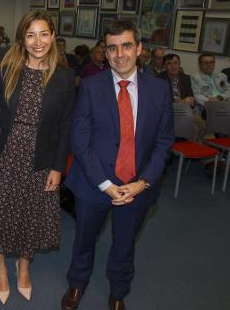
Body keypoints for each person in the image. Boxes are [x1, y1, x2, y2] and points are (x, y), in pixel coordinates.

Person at [61, 20, 174, 310]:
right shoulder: (89, 86)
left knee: (124, 243)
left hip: (138, 186)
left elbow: (163, 143)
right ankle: (77, 283)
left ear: (139, 49)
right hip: (94, 183)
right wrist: (106, 185)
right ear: (105, 51)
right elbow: (80, 140)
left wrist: (142, 182)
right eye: (112, 48)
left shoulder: (159, 90)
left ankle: (118, 290)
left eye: (126, 46)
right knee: (84, 239)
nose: (119, 54)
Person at [0, 11, 75, 304]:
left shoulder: (63, 76)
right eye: (31, 34)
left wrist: (59, 167)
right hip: (5, 153)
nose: (38, 41)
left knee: (30, 215)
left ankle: (24, 267)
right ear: (22, 37)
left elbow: (66, 125)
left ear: (53, 37)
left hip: (41, 157)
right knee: (0, 213)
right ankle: (0, 269)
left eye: (44, 34)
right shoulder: (4, 70)